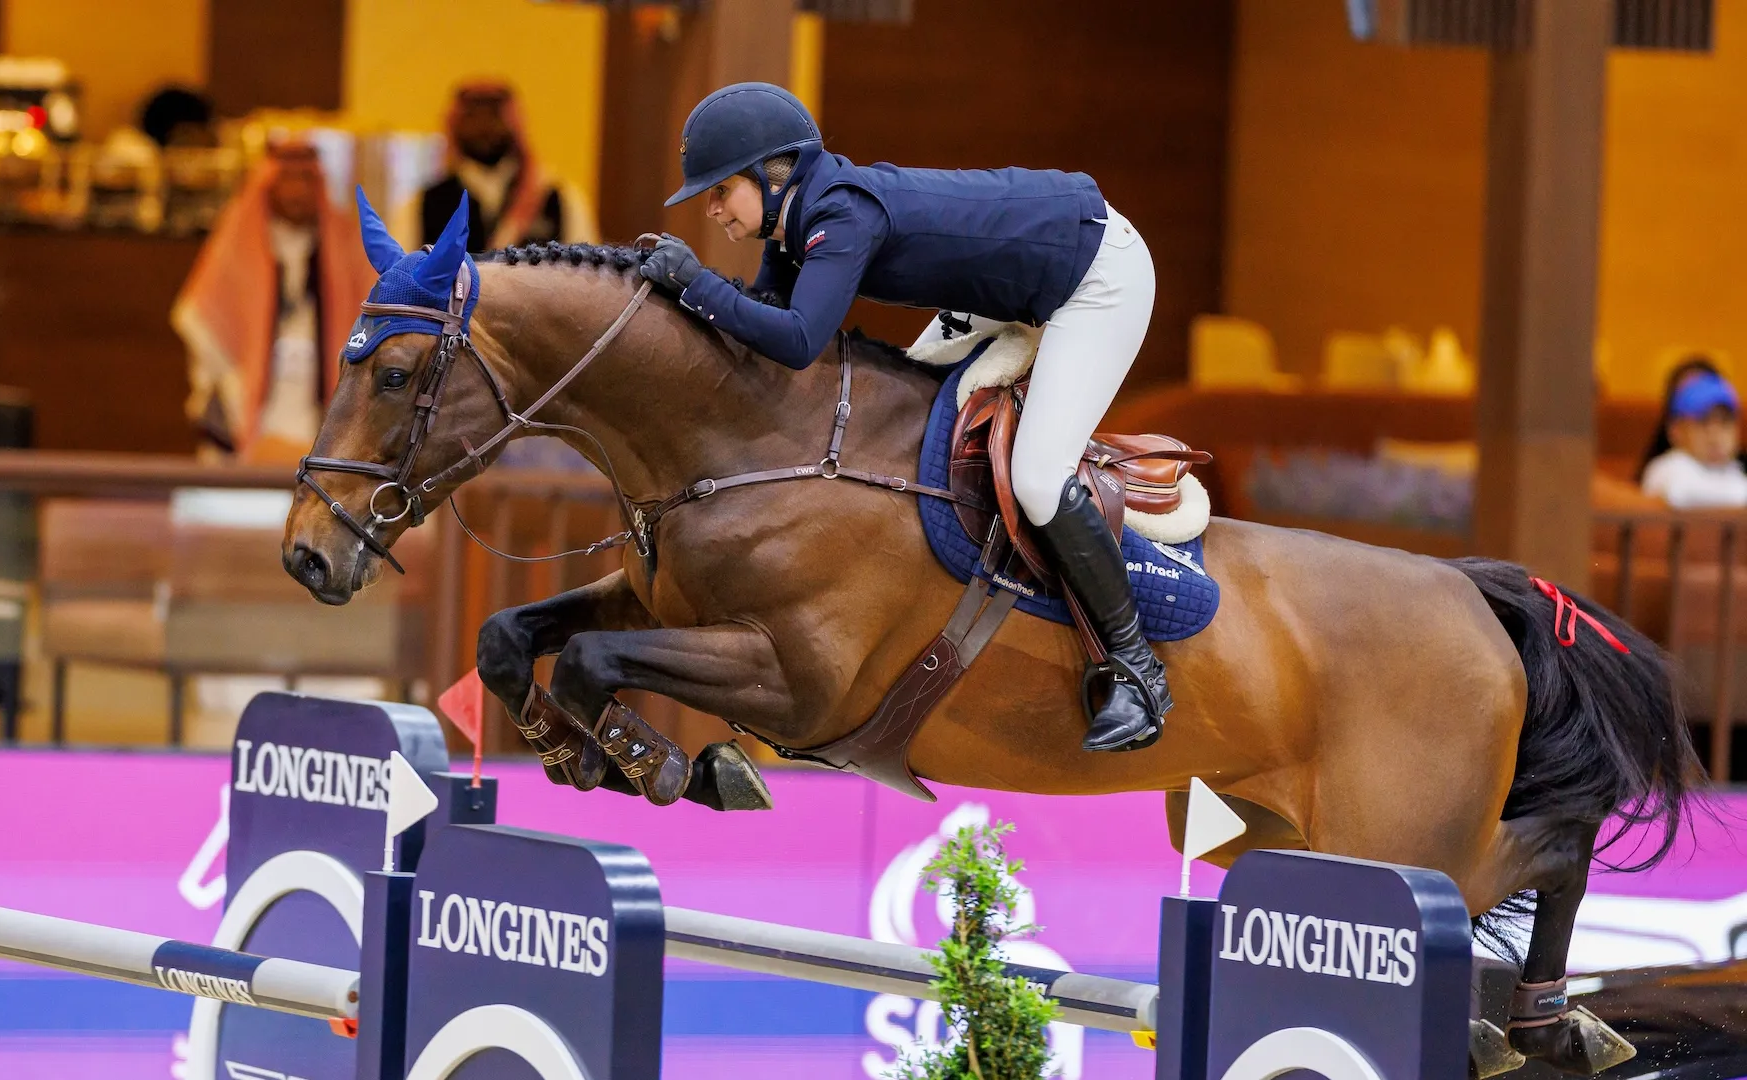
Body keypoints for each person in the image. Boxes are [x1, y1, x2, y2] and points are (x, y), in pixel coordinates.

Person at [639, 82, 1162, 753]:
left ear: (774, 175)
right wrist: (679, 301)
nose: (711, 209)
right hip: (1005, 287)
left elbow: (799, 342)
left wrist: (697, 283)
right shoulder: (795, 225)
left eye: (719, 191)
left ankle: (1136, 668)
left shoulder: (841, 212)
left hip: (1094, 277)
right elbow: (758, 328)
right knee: (904, 418)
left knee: (1037, 475)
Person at [171, 141, 377, 464]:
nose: (296, 191)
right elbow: (197, 317)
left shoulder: (346, 243)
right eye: (287, 178)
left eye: (305, 179)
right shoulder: (238, 241)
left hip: (322, 407)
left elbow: (376, 315)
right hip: (249, 405)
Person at [414, 82, 595, 252]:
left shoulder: (558, 198)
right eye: (473, 115)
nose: (483, 126)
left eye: (494, 114)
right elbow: (401, 274)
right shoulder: (423, 203)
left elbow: (586, 274)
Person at [1639, 367, 1747, 509]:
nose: (1715, 437)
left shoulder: (1733, 471)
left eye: (1725, 423)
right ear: (1676, 431)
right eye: (1703, 423)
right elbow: (1680, 494)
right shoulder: (1666, 467)